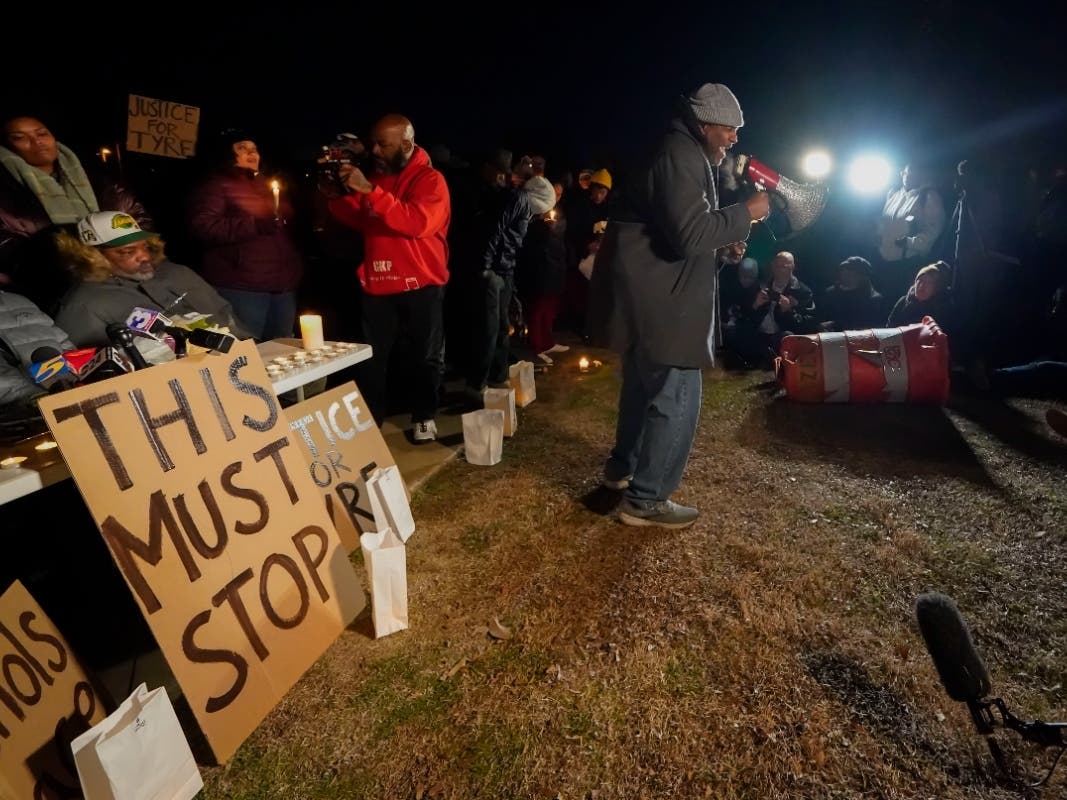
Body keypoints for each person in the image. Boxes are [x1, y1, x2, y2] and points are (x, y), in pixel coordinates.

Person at [589, 82, 770, 529]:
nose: (734, 138)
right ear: (706, 123)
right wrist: (746, 212)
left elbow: (681, 228)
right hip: (661, 297)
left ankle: (622, 469)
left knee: (640, 386)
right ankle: (646, 500)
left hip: (649, 290)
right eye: (729, 129)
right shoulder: (681, 154)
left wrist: (724, 242)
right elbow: (688, 235)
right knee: (677, 391)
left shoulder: (678, 150)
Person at [321, 114, 451, 442]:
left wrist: (370, 191)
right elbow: (364, 219)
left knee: (425, 355)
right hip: (379, 281)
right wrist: (335, 196)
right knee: (371, 358)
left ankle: (424, 416)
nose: (375, 150)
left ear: (407, 144)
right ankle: (371, 421)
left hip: (422, 282)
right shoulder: (378, 178)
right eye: (374, 142)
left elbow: (417, 222)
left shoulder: (430, 180)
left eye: (384, 144)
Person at [0, 114, 153, 313]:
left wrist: (127, 249)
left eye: (42, 133)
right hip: (52, 295)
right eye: (19, 137)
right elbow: (9, 250)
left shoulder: (97, 180)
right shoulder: (6, 191)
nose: (36, 141)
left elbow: (138, 220)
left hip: (123, 281)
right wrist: (77, 251)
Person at [53, 211, 251, 348]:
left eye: (145, 246)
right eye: (127, 251)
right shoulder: (84, 306)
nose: (145, 256)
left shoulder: (177, 273)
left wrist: (253, 350)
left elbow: (227, 316)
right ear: (93, 256)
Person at [186, 129, 305, 340]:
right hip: (243, 286)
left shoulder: (266, 184)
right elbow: (204, 226)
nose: (252, 153)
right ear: (228, 155)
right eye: (242, 148)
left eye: (254, 149)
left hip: (281, 284)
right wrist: (255, 225)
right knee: (249, 347)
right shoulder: (217, 184)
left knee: (282, 347)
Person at [464, 174, 556, 398]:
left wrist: (511, 285)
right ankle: (477, 384)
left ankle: (498, 375)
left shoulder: (525, 207)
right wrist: (485, 267)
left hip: (505, 270)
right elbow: (496, 231)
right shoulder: (519, 200)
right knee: (490, 328)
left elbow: (511, 243)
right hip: (493, 271)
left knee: (503, 326)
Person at [875, 161, 947, 303]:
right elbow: (884, 222)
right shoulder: (894, 194)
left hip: (906, 265)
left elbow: (933, 232)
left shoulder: (928, 197)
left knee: (899, 302)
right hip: (883, 261)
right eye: (907, 172)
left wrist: (909, 242)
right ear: (901, 173)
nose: (910, 176)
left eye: (915, 173)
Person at [817, 256, 884, 332]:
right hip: (828, 339)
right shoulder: (831, 293)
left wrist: (835, 324)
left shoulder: (873, 299)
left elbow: (871, 327)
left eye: (851, 271)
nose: (845, 273)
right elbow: (821, 317)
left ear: (862, 276)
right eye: (844, 270)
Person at [886, 261, 955, 332]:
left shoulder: (942, 309)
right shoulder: (903, 302)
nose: (922, 285)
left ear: (936, 288)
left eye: (928, 282)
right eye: (920, 280)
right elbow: (889, 328)